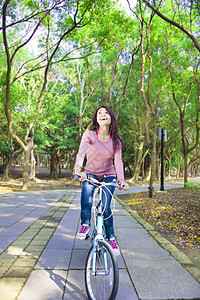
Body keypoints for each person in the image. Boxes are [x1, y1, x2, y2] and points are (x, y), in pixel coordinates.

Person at [74, 105, 129, 255]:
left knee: (106, 207)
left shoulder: (117, 140)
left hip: (108, 175)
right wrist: (78, 170)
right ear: (96, 118)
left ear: (111, 117)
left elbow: (118, 160)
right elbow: (81, 153)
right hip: (90, 173)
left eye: (106, 113)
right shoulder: (89, 135)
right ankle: (85, 224)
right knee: (87, 190)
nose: (103, 115)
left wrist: (121, 179)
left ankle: (111, 237)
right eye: (99, 113)